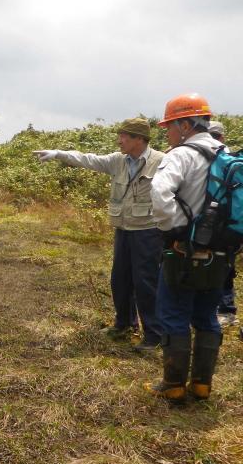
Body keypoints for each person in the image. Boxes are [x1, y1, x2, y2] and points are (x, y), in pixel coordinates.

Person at [34, 118, 165, 351]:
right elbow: (87, 159)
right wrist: (58, 153)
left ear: (139, 139)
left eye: (124, 136)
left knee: (146, 282)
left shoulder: (161, 162)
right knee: (120, 279)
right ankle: (124, 324)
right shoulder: (117, 161)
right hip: (123, 229)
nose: (119, 140)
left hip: (148, 232)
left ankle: (154, 334)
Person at [146, 93, 225, 402]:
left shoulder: (181, 154)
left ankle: (174, 385)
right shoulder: (226, 152)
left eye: (169, 126)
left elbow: (159, 191)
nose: (167, 133)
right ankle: (202, 385)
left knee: (173, 314)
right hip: (220, 254)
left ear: (184, 124)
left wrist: (168, 229)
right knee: (207, 316)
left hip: (184, 251)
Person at [207, 120, 238, 328]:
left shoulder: (211, 157)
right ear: (223, 137)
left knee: (212, 264)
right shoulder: (233, 158)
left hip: (212, 220)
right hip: (232, 222)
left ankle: (221, 309)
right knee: (226, 264)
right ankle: (226, 310)